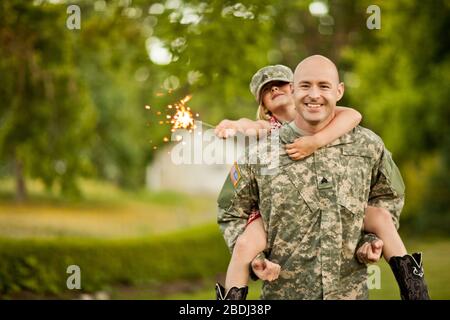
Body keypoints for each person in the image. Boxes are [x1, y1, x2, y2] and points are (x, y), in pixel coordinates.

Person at [216, 56, 430, 300]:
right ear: (295, 91)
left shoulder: (367, 145)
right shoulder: (259, 154)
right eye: (305, 86)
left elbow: (388, 198)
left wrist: (371, 240)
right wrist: (255, 259)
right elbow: (230, 212)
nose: (314, 94)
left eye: (324, 86)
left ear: (339, 91)